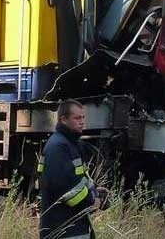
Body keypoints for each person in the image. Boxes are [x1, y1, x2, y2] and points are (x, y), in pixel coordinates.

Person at [38, 99, 107, 239]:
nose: (82, 122)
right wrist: (92, 200)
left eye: (83, 117)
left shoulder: (70, 144)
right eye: (77, 118)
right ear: (63, 119)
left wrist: (95, 190)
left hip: (74, 227)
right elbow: (65, 189)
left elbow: (79, 179)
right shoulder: (58, 147)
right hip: (62, 229)